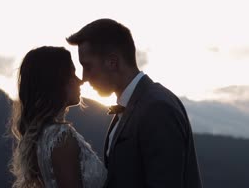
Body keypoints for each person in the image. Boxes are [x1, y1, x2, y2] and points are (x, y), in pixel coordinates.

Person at [66, 18, 202, 188]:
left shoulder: (157, 109)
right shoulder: (135, 105)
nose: (84, 77)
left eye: (88, 66)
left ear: (112, 62)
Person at [8, 46, 107, 188]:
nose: (80, 81)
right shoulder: (62, 138)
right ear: (57, 82)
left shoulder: (44, 136)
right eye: (73, 74)